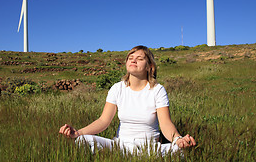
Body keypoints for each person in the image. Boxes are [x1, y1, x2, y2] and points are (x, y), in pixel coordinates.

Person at [59, 45, 196, 156]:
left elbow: (165, 124)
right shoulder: (117, 88)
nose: (133, 60)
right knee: (82, 141)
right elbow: (103, 121)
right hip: (120, 145)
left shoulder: (157, 90)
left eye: (139, 58)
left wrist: (178, 139)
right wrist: (78, 133)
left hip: (149, 149)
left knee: (180, 151)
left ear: (149, 67)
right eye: (130, 58)